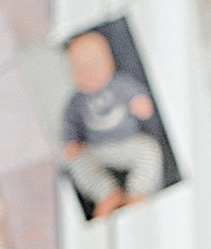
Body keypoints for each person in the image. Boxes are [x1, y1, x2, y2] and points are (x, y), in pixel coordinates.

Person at [59, 26, 167, 211]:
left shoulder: (119, 84)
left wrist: (140, 104)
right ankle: (106, 193)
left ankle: (138, 192)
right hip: (96, 149)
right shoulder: (76, 101)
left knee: (150, 150)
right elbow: (69, 122)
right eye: (81, 69)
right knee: (76, 161)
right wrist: (71, 141)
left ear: (110, 63)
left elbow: (139, 97)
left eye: (95, 64)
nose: (89, 73)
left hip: (128, 142)